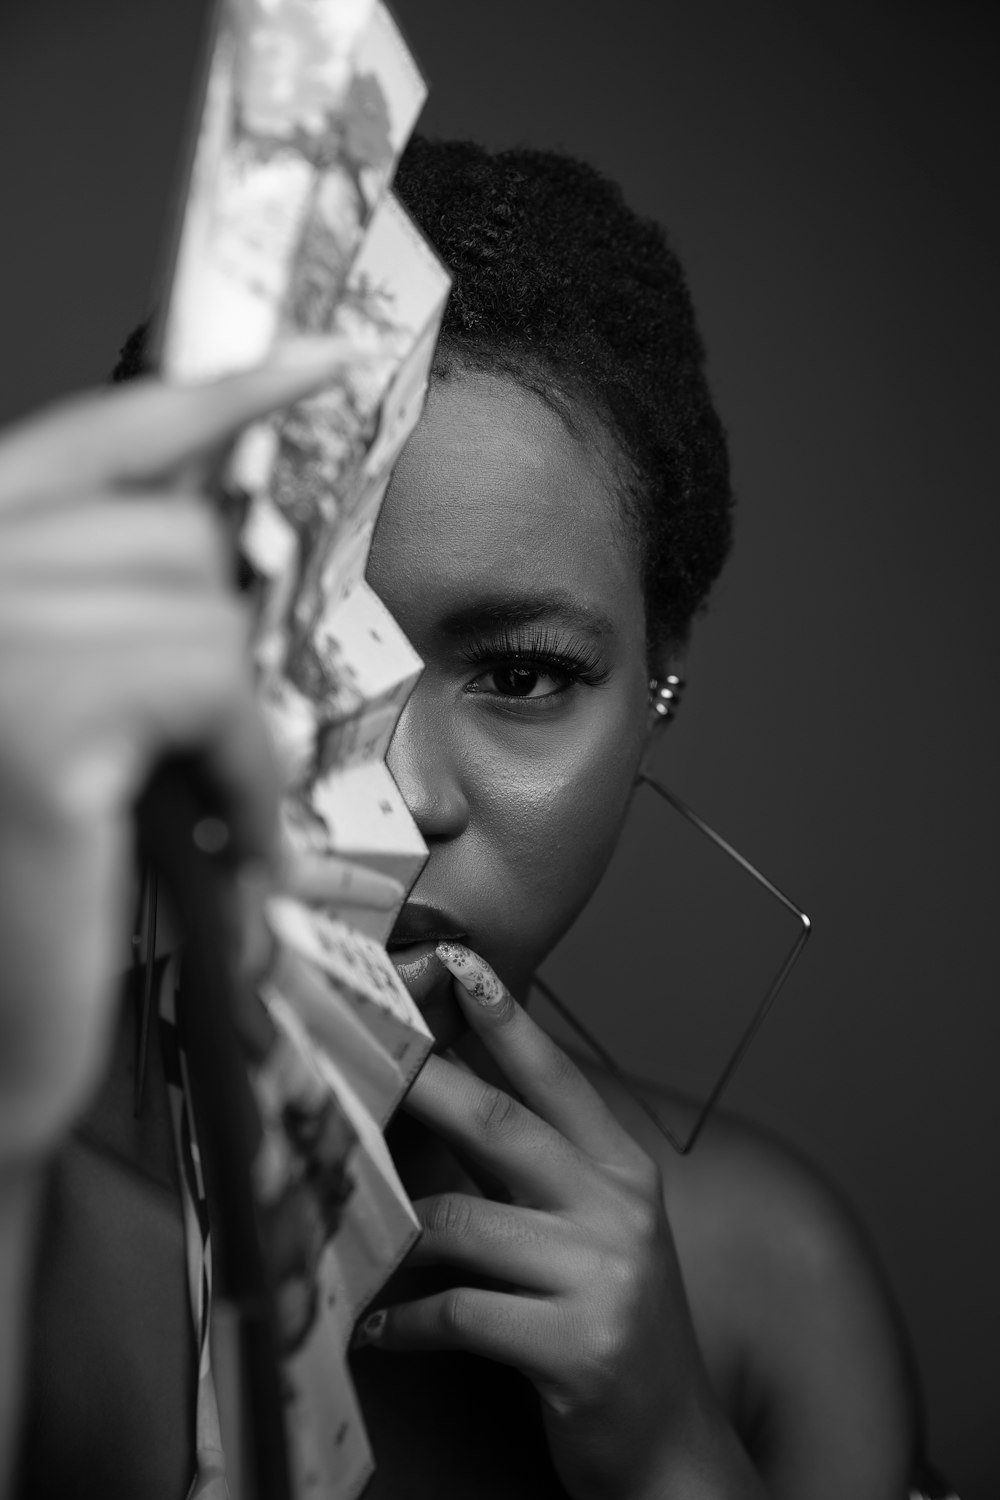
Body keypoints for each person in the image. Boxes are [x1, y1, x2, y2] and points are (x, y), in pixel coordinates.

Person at [1, 137, 947, 1498]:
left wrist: (676, 1457)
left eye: (519, 677)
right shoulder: (31, 1209)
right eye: (302, 662)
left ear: (657, 683)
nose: (405, 795)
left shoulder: (769, 1277)